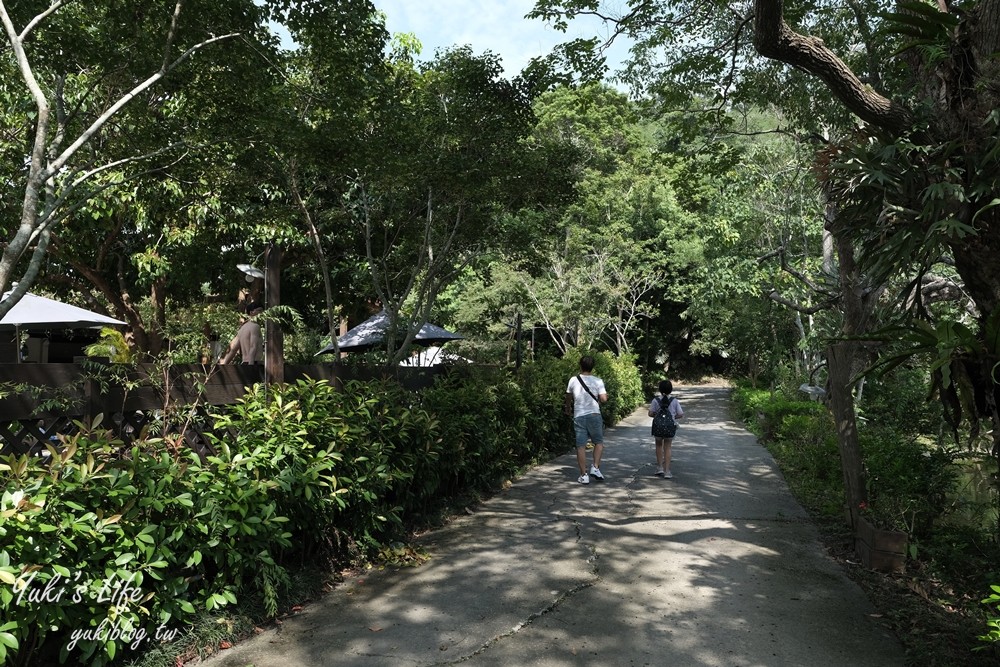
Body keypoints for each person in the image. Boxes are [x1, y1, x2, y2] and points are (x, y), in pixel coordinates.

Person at [565, 355, 609, 484]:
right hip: (594, 415)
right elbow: (604, 399)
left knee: (581, 446)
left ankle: (583, 475)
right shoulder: (598, 381)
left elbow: (568, 396)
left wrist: (568, 408)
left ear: (580, 365)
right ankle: (595, 467)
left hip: (579, 415)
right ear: (592, 367)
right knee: (599, 442)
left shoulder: (573, 380)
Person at [649, 380, 684, 478]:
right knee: (668, 447)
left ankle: (659, 467)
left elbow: (650, 413)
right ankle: (667, 471)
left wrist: (657, 415)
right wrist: (672, 417)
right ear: (671, 389)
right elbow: (680, 414)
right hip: (670, 426)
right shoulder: (674, 401)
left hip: (658, 427)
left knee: (658, 445)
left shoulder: (656, 400)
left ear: (659, 389)